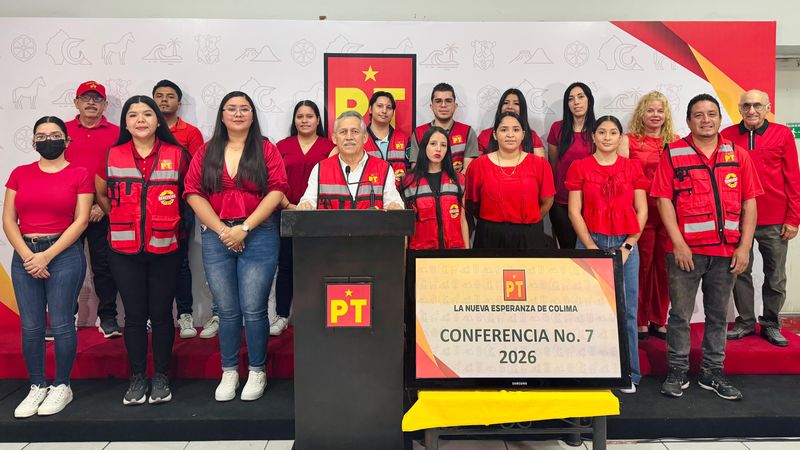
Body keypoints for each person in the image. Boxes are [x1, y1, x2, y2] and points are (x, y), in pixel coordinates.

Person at [651, 94, 762, 401]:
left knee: (717, 317)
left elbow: (749, 202)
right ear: (688, 121)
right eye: (698, 115)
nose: (706, 119)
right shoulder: (673, 153)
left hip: (726, 253)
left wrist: (745, 247)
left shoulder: (738, 155)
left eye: (711, 114)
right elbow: (663, 200)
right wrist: (678, 244)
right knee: (680, 316)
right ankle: (677, 371)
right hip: (684, 254)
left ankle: (712, 373)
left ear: (719, 119)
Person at [184, 91, 288, 402]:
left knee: (254, 310)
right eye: (231, 108)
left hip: (258, 233)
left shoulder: (266, 149)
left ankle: (257, 370)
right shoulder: (206, 151)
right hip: (217, 237)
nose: (238, 113)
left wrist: (243, 228)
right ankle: (229, 371)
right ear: (222, 115)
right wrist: (222, 230)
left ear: (253, 116)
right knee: (227, 311)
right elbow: (192, 192)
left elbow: (277, 190)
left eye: (244, 109)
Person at [95, 96, 190, 406]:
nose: (140, 120)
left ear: (157, 120)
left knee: (162, 315)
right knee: (134, 317)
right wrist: (121, 216)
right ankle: (138, 377)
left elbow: (189, 196)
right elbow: (101, 191)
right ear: (125, 122)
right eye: (133, 115)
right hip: (123, 249)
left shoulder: (178, 155)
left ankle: (161, 375)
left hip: (166, 246)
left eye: (147, 114)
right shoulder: (112, 154)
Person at [3, 117, 94, 418]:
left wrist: (47, 256)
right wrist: (30, 255)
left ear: (67, 141)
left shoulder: (80, 173)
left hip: (64, 253)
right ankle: (37, 386)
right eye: (41, 135)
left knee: (61, 322)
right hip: (25, 254)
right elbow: (8, 220)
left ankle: (62, 386)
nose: (48, 140)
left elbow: (81, 220)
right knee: (30, 326)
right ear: (33, 142)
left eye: (55, 135)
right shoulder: (20, 173)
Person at [566, 115, 648, 394]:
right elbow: (574, 211)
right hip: (591, 242)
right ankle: (591, 371)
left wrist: (629, 245)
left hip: (626, 243)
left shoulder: (632, 167)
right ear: (593, 136)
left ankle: (629, 373)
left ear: (620, 137)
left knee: (626, 311)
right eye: (601, 132)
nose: (607, 137)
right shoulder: (580, 167)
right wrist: (589, 246)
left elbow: (642, 210)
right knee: (588, 310)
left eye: (613, 132)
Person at [722, 89, 800, 347]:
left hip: (775, 219)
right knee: (738, 272)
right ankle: (744, 322)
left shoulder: (783, 134)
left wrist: (793, 217)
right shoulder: (727, 136)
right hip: (738, 218)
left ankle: (771, 324)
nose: (752, 110)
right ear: (739, 108)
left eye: (757, 105)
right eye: (746, 106)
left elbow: (793, 177)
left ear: (767, 108)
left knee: (775, 275)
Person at [619, 91, 679, 341]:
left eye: (660, 110)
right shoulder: (628, 140)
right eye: (650, 110)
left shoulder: (676, 141)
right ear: (641, 114)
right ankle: (641, 320)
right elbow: (622, 178)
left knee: (665, 269)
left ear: (666, 115)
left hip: (668, 213)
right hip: (640, 213)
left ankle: (659, 319)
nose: (655, 115)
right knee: (641, 268)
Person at [64, 81, 121, 338]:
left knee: (104, 266)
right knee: (64, 267)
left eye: (96, 99)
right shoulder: (61, 131)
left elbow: (121, 172)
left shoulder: (118, 133)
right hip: (66, 212)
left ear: (105, 105)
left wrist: (101, 203)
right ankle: (64, 316)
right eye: (85, 98)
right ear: (76, 102)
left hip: (102, 211)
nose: (91, 103)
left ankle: (107, 317)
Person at [273, 100, 335, 336]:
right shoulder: (282, 146)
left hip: (319, 218)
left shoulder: (329, 146)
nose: (305, 120)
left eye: (310, 116)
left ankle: (315, 315)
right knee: (286, 265)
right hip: (286, 213)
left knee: (317, 266)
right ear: (294, 120)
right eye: (300, 116)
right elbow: (274, 180)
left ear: (318, 120)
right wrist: (289, 205)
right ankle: (281, 315)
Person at [153, 79, 205, 339]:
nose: (164, 100)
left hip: (181, 205)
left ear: (179, 102)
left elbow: (197, 172)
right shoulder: (143, 129)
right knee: (149, 262)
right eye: (159, 96)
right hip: (148, 207)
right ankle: (154, 314)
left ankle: (185, 314)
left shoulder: (191, 133)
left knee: (180, 260)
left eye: (170, 96)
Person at [465, 112, 555, 249]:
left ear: (523, 134)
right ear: (495, 135)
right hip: (489, 235)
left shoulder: (540, 164)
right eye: (504, 129)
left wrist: (527, 222)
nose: (510, 134)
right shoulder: (478, 166)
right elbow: (471, 204)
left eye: (516, 129)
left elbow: (547, 201)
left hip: (529, 234)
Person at [297, 111, 404, 210]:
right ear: (334, 138)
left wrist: (395, 206)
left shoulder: (383, 168)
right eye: (343, 132)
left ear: (365, 138)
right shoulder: (320, 169)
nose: (349, 137)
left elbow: (393, 201)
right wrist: (306, 205)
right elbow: (308, 200)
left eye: (355, 132)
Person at [401, 126, 469, 249]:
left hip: (454, 252)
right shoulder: (407, 181)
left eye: (443, 145)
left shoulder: (460, 180)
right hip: (421, 254)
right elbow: (404, 227)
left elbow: (462, 220)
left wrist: (467, 253)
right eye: (433, 143)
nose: (438, 149)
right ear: (424, 147)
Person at [547, 82, 596, 249]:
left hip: (593, 203)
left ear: (589, 100)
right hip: (561, 202)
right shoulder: (557, 129)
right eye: (571, 99)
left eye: (581, 97)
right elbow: (553, 165)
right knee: (568, 252)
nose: (576, 102)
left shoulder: (599, 130)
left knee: (590, 252)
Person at [408, 83, 479, 174]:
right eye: (438, 101)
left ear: (455, 105)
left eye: (448, 101)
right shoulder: (419, 133)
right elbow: (416, 170)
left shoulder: (468, 132)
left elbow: (468, 171)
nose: (443, 105)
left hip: (457, 187)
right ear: (431, 106)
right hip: (426, 187)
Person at [478, 88, 545, 157]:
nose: (510, 107)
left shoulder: (532, 137)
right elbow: (475, 165)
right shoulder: (485, 135)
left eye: (516, 103)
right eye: (506, 103)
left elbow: (541, 165)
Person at [363, 91, 410, 181]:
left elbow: (412, 170)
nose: (384, 111)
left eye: (389, 107)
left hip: (399, 193)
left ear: (393, 112)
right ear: (370, 109)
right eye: (380, 106)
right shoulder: (360, 139)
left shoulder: (403, 138)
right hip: (369, 193)